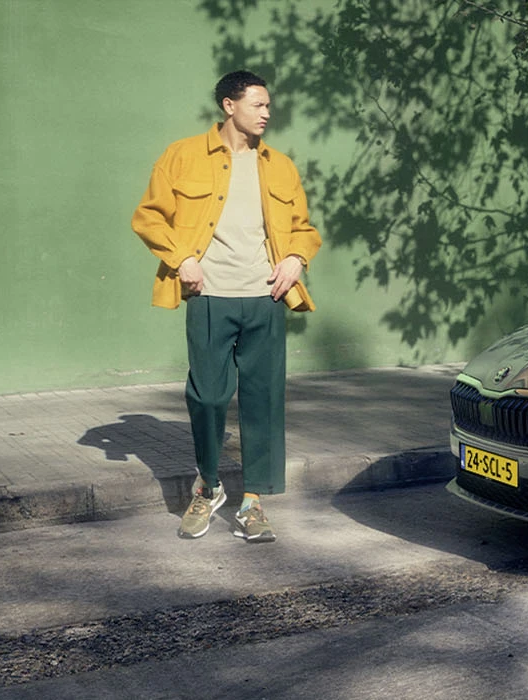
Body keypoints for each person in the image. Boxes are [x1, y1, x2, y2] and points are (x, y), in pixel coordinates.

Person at [131, 70, 321, 543]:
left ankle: (253, 503)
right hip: (209, 294)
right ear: (229, 105)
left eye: (268, 105)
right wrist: (182, 259)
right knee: (209, 396)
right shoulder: (182, 155)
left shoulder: (280, 166)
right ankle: (209, 485)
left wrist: (296, 259)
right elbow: (149, 217)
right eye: (258, 104)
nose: (267, 113)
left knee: (263, 400)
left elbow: (303, 227)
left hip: (266, 296)